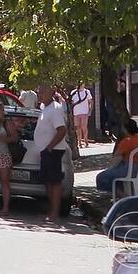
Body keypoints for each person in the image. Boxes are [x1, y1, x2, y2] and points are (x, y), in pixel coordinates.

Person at [35, 84, 70, 222]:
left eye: (43, 91)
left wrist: (49, 147)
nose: (40, 93)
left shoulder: (55, 109)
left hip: (54, 151)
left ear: (51, 92)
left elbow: (62, 130)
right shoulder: (44, 108)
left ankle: (55, 213)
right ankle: (51, 210)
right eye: (39, 91)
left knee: (54, 182)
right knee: (48, 182)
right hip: (46, 151)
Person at [96, 119, 138, 195]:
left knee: (101, 177)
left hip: (129, 169)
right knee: (115, 176)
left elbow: (116, 159)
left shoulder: (126, 141)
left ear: (125, 129)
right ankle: (124, 192)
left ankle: (120, 194)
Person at [71, 82, 93, 148]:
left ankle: (86, 140)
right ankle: (79, 142)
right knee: (78, 127)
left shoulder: (87, 92)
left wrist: (90, 110)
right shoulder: (73, 92)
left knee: (84, 126)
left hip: (84, 112)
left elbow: (90, 101)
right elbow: (71, 102)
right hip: (76, 112)